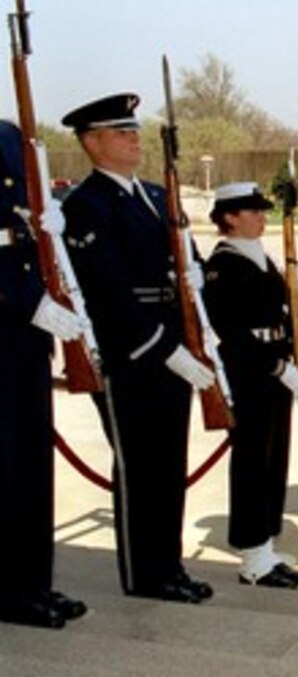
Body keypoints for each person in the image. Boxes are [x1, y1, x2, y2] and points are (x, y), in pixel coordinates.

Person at [60, 93, 214, 603]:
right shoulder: (86, 205)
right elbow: (109, 294)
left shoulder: (154, 194)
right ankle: (144, 575)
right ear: (92, 142)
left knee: (170, 464)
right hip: (133, 357)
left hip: (176, 346)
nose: (134, 137)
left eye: (134, 129)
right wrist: (167, 348)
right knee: (140, 468)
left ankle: (168, 565)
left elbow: (188, 265)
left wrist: (199, 317)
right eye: (120, 131)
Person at [0, 120, 88, 628]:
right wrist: (25, 299)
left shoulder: (12, 135)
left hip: (28, 327)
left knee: (33, 461)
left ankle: (35, 582)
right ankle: (9, 589)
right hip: (8, 314)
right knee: (7, 462)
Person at [201, 182, 298, 589]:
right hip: (249, 373)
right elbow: (230, 330)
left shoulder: (259, 256)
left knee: (273, 457)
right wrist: (277, 366)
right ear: (229, 217)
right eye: (253, 211)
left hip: (274, 370)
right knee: (251, 461)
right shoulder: (223, 265)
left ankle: (265, 541)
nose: (262, 217)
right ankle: (252, 554)